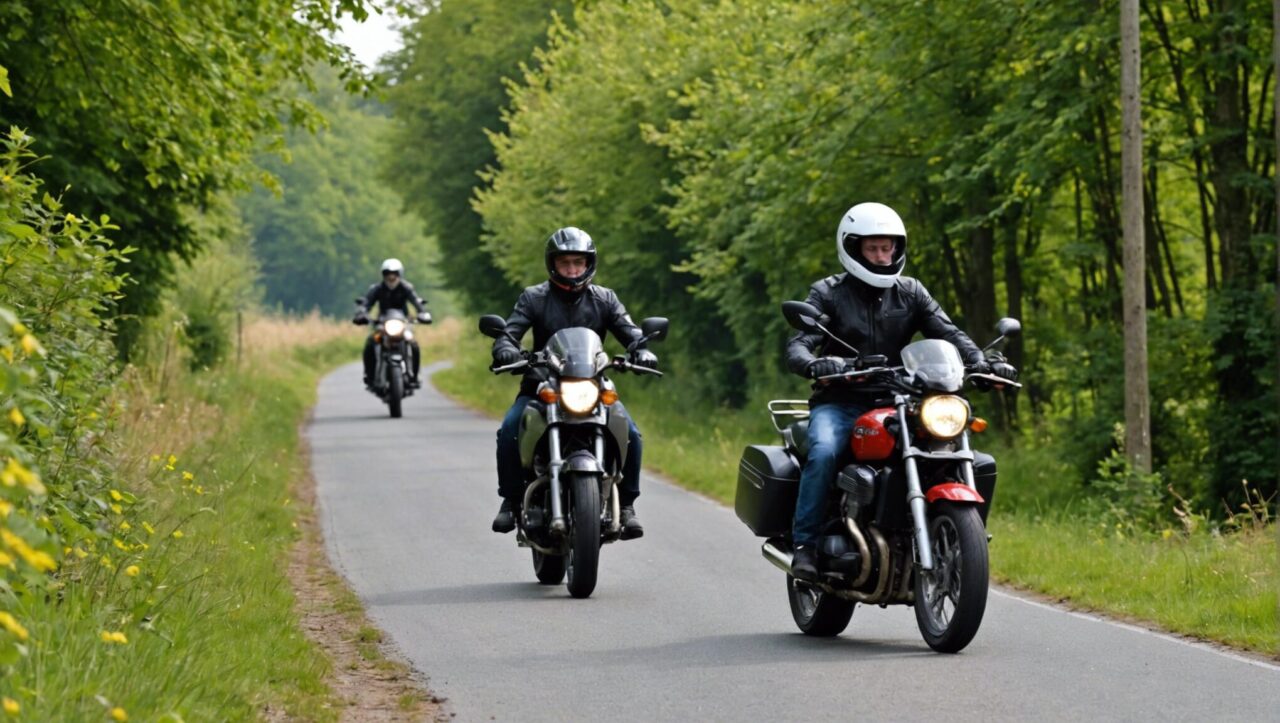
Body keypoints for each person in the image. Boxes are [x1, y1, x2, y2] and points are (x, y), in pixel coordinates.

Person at [784, 202, 1017, 581]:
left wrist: (983, 361)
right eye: (873, 248)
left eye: (887, 248)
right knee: (824, 451)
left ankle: (962, 541)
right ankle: (805, 547)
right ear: (853, 248)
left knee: (977, 459)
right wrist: (816, 363)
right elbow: (798, 344)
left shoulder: (911, 292)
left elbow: (949, 333)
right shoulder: (828, 293)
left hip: (903, 401)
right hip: (842, 401)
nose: (881, 256)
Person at [490, 227, 657, 538]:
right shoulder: (534, 298)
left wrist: (642, 349)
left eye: (578, 263)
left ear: (588, 264)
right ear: (553, 264)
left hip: (590, 385)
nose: (571, 270)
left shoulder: (605, 299)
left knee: (630, 432)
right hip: (543, 385)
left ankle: (629, 505)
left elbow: (630, 331)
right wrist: (505, 349)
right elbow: (510, 333)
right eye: (565, 263)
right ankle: (510, 501)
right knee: (509, 430)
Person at [354, 258, 430, 388]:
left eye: (394, 273)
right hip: (382, 325)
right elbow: (366, 303)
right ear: (383, 275)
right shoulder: (377, 289)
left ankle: (415, 376)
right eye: (388, 273)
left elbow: (416, 302)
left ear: (399, 274)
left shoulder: (406, 288)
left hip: (403, 324)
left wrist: (423, 313)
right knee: (371, 342)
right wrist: (361, 313)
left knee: (414, 344)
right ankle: (370, 376)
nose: (391, 277)